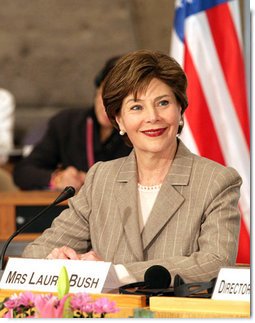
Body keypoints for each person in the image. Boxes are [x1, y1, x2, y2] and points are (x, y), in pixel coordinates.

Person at [22, 50, 242, 285]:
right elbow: (35, 254)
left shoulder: (216, 181)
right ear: (119, 120)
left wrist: (117, 274)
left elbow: (216, 262)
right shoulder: (102, 178)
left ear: (180, 111)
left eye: (163, 103)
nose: (152, 117)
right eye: (136, 107)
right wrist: (56, 260)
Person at [13, 56, 132, 192]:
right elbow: (23, 172)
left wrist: (90, 179)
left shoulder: (138, 130)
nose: (107, 106)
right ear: (97, 90)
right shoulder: (67, 123)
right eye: (105, 94)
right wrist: (57, 178)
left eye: (119, 100)